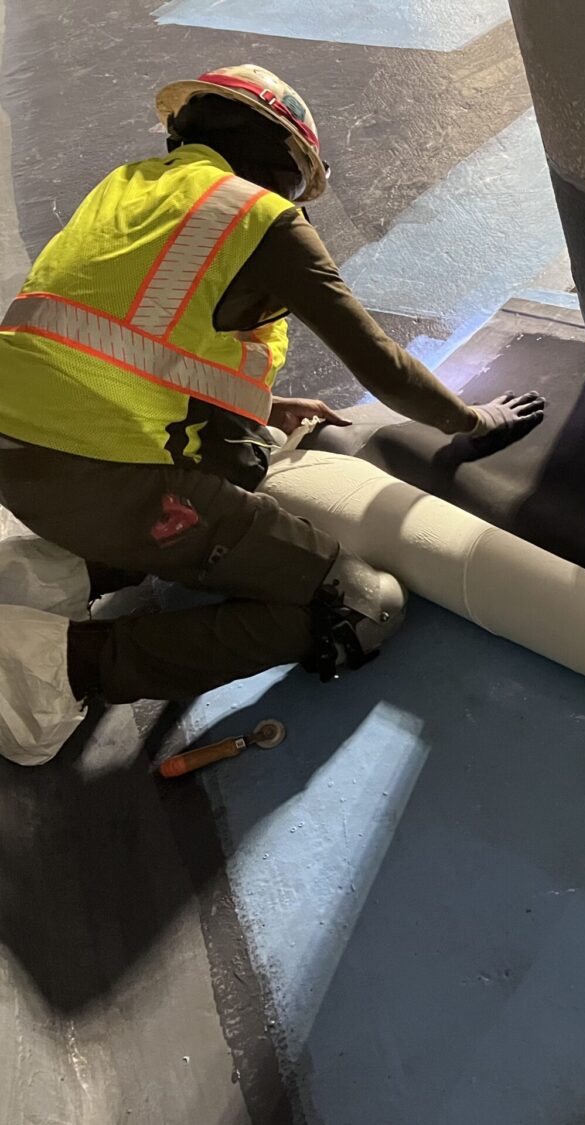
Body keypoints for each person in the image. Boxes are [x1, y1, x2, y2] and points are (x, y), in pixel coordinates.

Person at [0, 65, 546, 763]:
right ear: (289, 157)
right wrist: (472, 420)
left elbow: (123, 341)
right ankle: (53, 665)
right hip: (106, 481)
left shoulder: (131, 187)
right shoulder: (262, 219)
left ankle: (52, 578)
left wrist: (266, 405)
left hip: (19, 458)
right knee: (359, 606)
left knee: (234, 471)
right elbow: (383, 368)